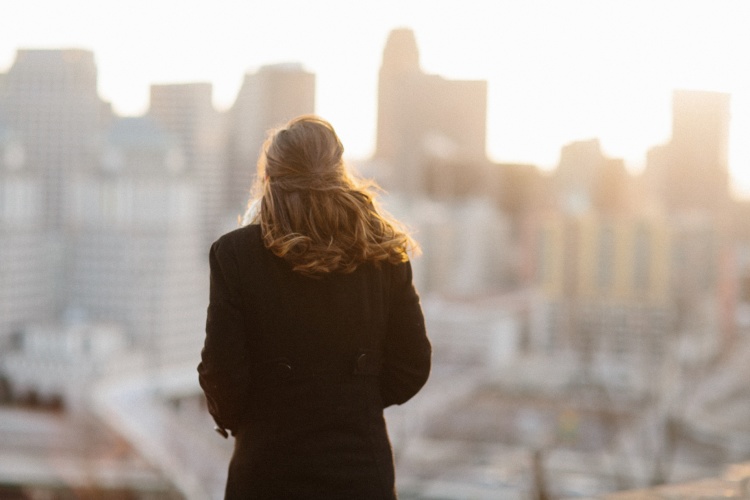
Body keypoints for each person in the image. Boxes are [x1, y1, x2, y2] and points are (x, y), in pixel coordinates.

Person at [197, 115, 431, 499]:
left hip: (268, 471)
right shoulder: (385, 254)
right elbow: (412, 365)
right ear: (340, 175)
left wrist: (260, 420)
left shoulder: (236, 255)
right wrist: (351, 402)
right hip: (359, 473)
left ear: (270, 181)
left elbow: (222, 374)